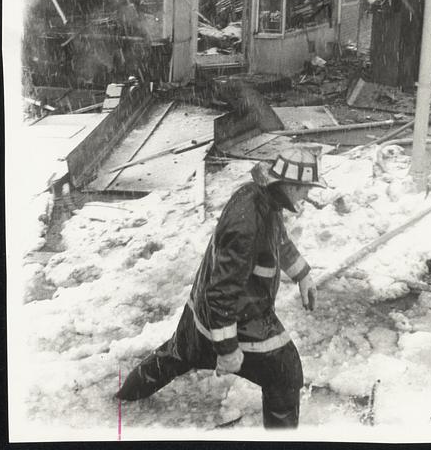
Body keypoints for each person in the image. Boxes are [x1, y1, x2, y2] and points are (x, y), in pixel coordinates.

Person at [116, 146, 326, 429]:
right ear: (287, 185)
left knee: (178, 355)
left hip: (202, 312)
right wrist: (227, 349)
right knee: (284, 375)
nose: (307, 194)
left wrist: (302, 275)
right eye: (304, 188)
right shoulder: (248, 223)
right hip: (238, 317)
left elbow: (277, 239)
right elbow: (223, 292)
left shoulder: (260, 197)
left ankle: (124, 398)